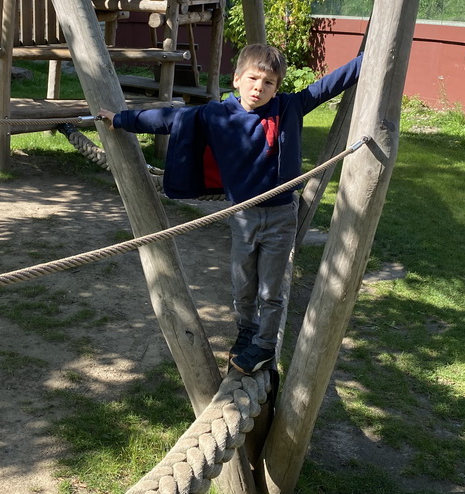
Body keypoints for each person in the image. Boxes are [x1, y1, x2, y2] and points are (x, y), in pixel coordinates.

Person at [98, 43, 362, 376]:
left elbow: (329, 85)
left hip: (280, 216)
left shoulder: (289, 108)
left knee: (270, 288)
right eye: (253, 78)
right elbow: (167, 118)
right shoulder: (216, 114)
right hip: (242, 216)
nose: (259, 88)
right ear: (236, 79)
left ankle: (265, 345)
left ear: (277, 88)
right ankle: (247, 330)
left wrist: (377, 54)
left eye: (268, 83)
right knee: (242, 282)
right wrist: (120, 119)